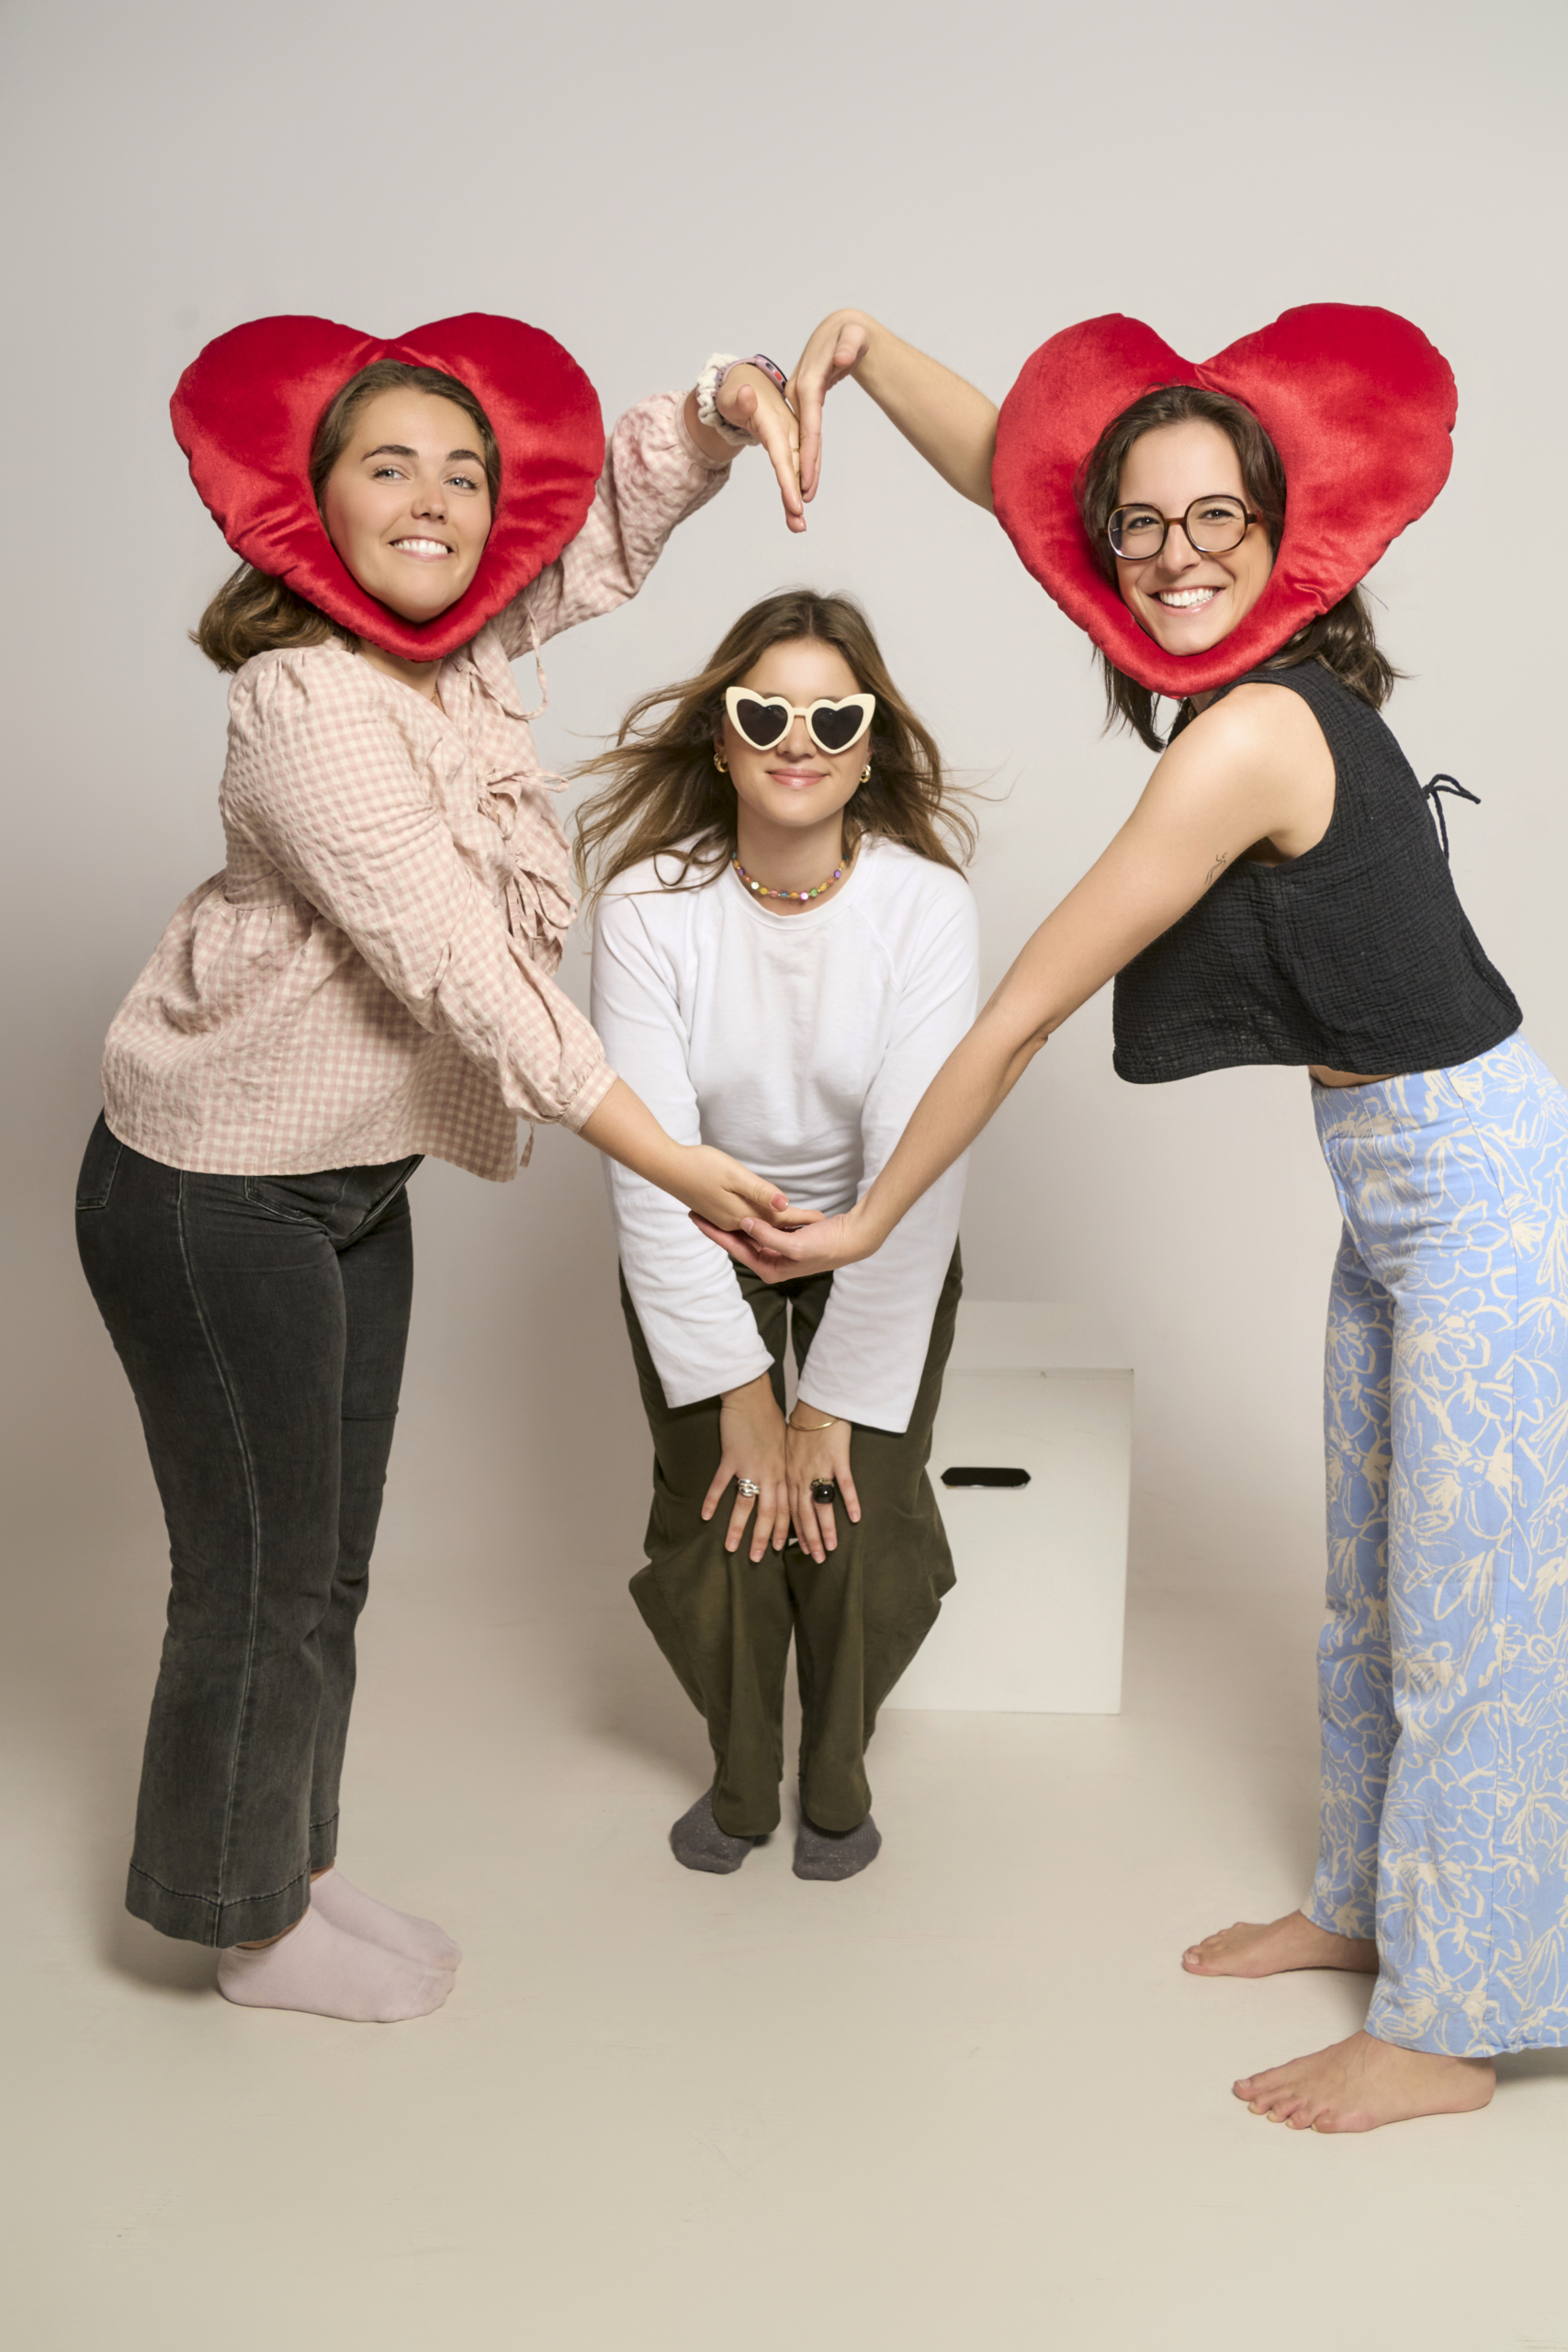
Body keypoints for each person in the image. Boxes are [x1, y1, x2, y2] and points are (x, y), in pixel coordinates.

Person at [698, 303, 1562, 2131]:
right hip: (1398, 1186)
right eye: (1141, 525)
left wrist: (859, 1228)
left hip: (1486, 1189)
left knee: (1471, 1611)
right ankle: (1360, 1901)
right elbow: (1030, 481)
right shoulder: (1224, 662)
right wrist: (863, 354)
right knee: (1368, 1581)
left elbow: (1018, 1005)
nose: (1168, 556)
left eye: (1211, 521)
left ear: (1277, 533)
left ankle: (1459, 2015)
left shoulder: (1248, 733)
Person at [77, 315, 807, 2020]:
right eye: (388, 466)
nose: (438, 503)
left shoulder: (452, 660)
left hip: (349, 1181)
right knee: (252, 1573)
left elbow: (605, 530)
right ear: (309, 504)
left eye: (466, 475)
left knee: (326, 1561)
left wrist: (715, 408)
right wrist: (675, 1162)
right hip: (209, 1193)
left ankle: (294, 1874)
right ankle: (239, 1925)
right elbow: (465, 975)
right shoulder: (305, 704)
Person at [577, 590, 978, 1878]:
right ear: (721, 739)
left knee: (856, 1513)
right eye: (764, 711)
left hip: (879, 1227)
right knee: (728, 1509)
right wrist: (742, 1392)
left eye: (832, 715)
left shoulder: (927, 907)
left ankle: (839, 1774)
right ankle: (743, 1778)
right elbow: (648, 1168)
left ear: (870, 747)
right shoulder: (648, 905)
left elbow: (922, 1165)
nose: (795, 738)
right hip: (701, 1227)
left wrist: (832, 1401)